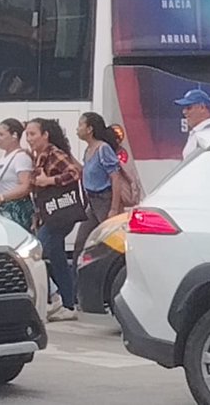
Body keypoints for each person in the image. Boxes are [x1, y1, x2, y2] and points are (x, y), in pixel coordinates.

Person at [27, 117, 82, 322]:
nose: (29, 139)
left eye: (33, 134)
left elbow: (74, 173)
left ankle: (58, 298)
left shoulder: (54, 153)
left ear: (45, 135)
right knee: (56, 256)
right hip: (50, 214)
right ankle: (67, 303)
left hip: (61, 214)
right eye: (27, 135)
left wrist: (49, 180)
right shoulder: (39, 156)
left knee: (37, 251)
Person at [73, 112, 130, 258]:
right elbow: (85, 171)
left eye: (80, 125)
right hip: (92, 202)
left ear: (89, 129)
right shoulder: (88, 150)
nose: (77, 129)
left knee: (110, 241)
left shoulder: (103, 149)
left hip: (104, 199)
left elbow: (115, 178)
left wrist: (113, 208)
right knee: (81, 242)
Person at [0, 118, 35, 231]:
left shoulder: (21, 157)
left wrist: (1, 198)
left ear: (14, 136)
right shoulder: (4, 157)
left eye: (1, 134)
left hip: (12, 210)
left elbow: (25, 186)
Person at [175, 89, 210, 158]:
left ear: (202, 107)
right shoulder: (200, 131)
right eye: (184, 108)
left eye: (189, 107)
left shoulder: (209, 133)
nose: (184, 112)